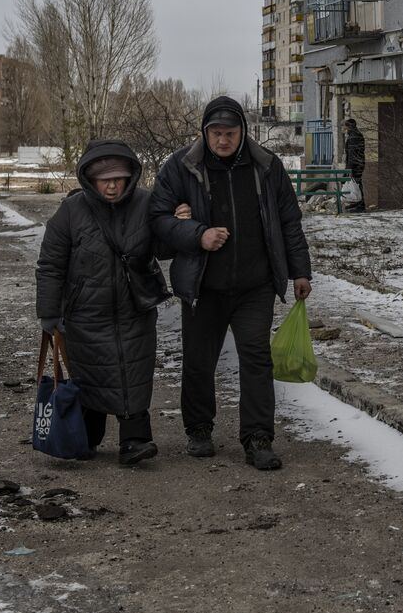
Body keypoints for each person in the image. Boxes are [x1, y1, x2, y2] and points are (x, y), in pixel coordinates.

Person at [149, 96, 312, 470]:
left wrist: (300, 270)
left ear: (243, 132)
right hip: (203, 285)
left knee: (256, 358)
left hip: (254, 285)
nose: (223, 141)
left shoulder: (266, 166)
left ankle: (258, 438)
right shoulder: (181, 167)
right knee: (199, 360)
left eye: (230, 133)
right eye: (216, 133)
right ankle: (199, 430)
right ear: (204, 133)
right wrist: (196, 234)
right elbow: (157, 219)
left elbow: (289, 221)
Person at [35, 139, 170, 466]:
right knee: (91, 373)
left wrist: (178, 221)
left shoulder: (146, 204)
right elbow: (51, 264)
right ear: (89, 178)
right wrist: (49, 313)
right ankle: (87, 437)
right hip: (86, 313)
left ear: (130, 176)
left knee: (132, 373)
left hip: (134, 309)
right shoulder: (71, 210)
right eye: (104, 178)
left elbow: (166, 247)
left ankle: (135, 441)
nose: (111, 184)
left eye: (118, 177)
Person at [343, 118, 365, 212]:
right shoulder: (357, 134)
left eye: (345, 126)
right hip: (359, 163)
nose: (344, 128)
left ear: (349, 126)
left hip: (355, 164)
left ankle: (360, 205)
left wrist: (349, 169)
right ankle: (358, 204)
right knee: (357, 184)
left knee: (356, 184)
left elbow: (352, 154)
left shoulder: (353, 137)